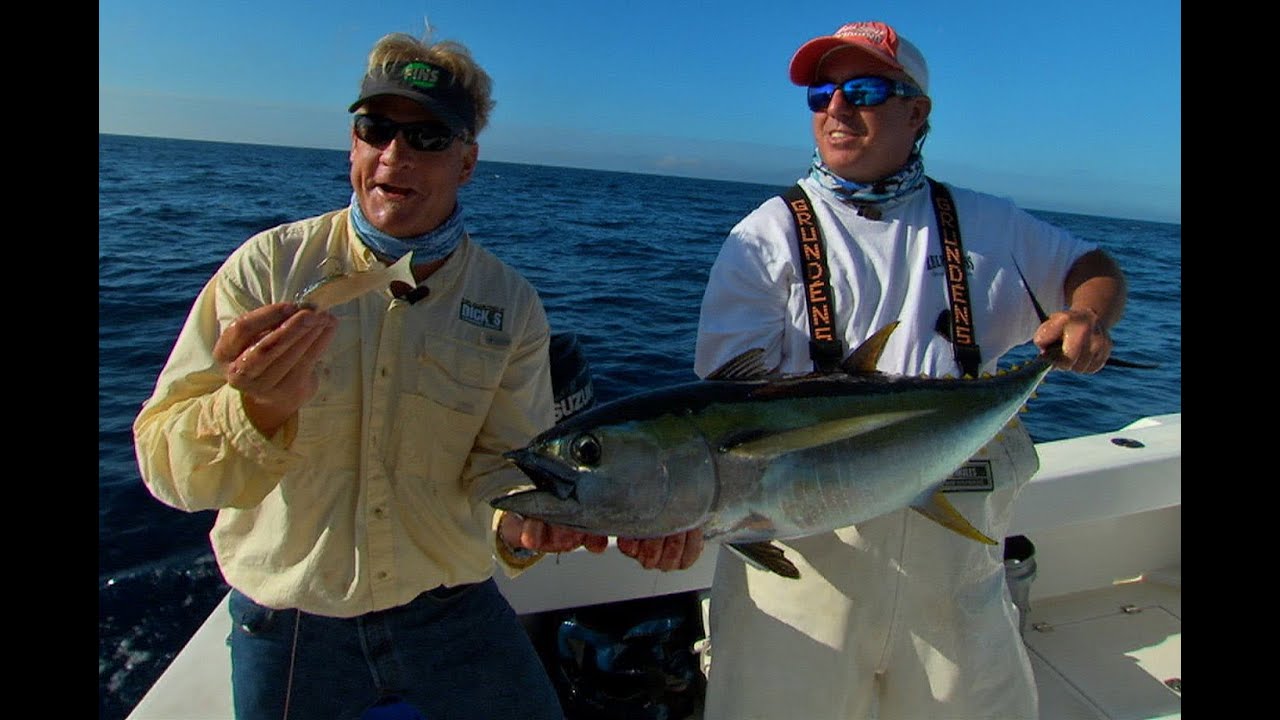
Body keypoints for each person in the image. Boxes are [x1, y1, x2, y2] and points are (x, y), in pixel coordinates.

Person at [133, 29, 699, 720]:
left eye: (428, 136)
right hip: (292, 620)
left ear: (467, 161)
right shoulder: (267, 269)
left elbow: (507, 461)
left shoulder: (510, 302)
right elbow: (168, 468)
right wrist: (255, 410)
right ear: (352, 144)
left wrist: (525, 523)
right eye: (375, 128)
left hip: (449, 611)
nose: (394, 154)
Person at [693, 20, 1126, 720]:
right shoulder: (762, 236)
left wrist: (1086, 318)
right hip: (805, 561)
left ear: (916, 112)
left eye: (862, 90)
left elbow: (1092, 267)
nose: (837, 107)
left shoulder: (990, 224)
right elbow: (723, 412)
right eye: (820, 92)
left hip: (955, 562)